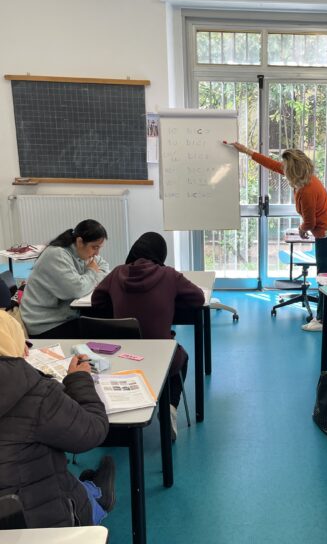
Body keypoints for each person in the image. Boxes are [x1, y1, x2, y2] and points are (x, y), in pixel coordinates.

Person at [0, 309, 115, 527]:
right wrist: (80, 380)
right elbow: (91, 431)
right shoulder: (34, 393)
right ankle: (98, 499)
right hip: (41, 523)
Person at [91, 232, 205, 439]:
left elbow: (96, 301)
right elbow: (198, 298)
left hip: (121, 357)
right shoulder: (169, 275)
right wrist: (171, 304)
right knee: (182, 356)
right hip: (161, 358)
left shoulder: (116, 273)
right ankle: (170, 408)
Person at [229, 142, 327, 332]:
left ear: (292, 170)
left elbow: (310, 222)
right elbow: (272, 164)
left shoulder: (307, 190)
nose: (282, 168)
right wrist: (247, 151)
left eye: (285, 167)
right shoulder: (304, 177)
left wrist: (301, 229)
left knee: (325, 278)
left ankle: (322, 320)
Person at [20, 219, 109, 338]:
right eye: (94, 247)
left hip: (66, 316)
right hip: (45, 324)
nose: (97, 253)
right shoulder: (57, 255)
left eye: (99, 248)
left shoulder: (82, 252)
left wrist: (90, 278)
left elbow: (104, 267)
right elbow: (77, 289)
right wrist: (92, 272)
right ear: (80, 241)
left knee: (106, 318)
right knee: (102, 330)